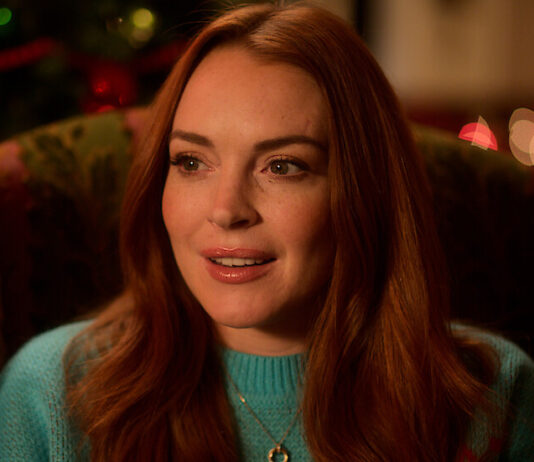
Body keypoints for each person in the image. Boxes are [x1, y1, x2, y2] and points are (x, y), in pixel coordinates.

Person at [1, 2, 533, 461]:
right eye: (191, 162)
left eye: (282, 166)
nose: (226, 210)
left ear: (365, 192)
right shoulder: (52, 392)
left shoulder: (495, 396)